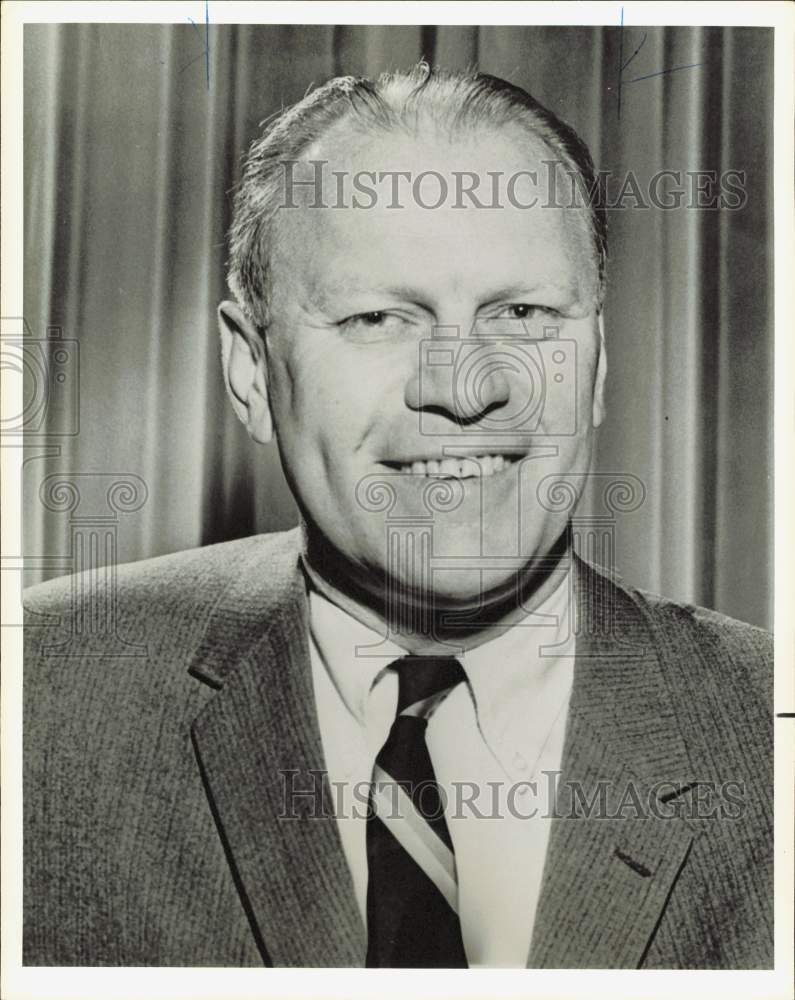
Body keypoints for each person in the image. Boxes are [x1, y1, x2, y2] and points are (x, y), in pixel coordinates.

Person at [23, 65, 773, 969]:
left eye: (525, 313)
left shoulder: (767, 736)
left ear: (599, 362)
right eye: (378, 318)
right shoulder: (36, 706)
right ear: (251, 371)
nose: (464, 388)